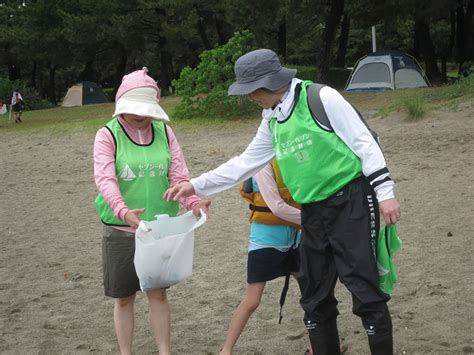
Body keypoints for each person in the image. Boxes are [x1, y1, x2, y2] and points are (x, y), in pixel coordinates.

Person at [164, 49, 401, 355]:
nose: (250, 98)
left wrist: (385, 193)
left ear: (268, 82)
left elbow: (365, 143)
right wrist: (194, 184)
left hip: (350, 201)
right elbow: (245, 163)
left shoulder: (321, 98)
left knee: (364, 290)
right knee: (314, 295)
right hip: (312, 210)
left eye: (250, 91)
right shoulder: (272, 118)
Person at [93, 68, 210, 355]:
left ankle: (164, 351)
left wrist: (193, 202)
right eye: (135, 113)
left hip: (159, 229)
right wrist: (123, 211)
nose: (141, 118)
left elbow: (178, 175)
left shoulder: (164, 131)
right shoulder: (108, 135)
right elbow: (105, 179)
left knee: (157, 294)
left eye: (146, 113)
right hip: (122, 229)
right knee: (123, 298)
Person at [220, 160, 346, 355]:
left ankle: (324, 345)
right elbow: (277, 207)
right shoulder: (262, 162)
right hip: (265, 241)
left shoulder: (293, 156)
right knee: (252, 300)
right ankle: (226, 350)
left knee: (314, 293)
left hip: (296, 238)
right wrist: (316, 222)